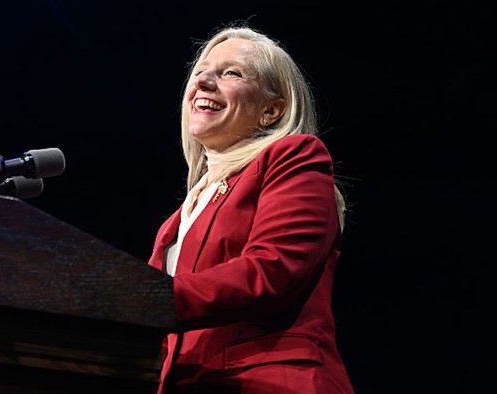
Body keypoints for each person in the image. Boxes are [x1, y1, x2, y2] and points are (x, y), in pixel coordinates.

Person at [147, 25, 354, 394]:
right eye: (200, 71)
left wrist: (144, 297)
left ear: (271, 111)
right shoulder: (178, 218)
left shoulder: (293, 156)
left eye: (231, 73)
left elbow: (270, 270)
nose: (205, 81)